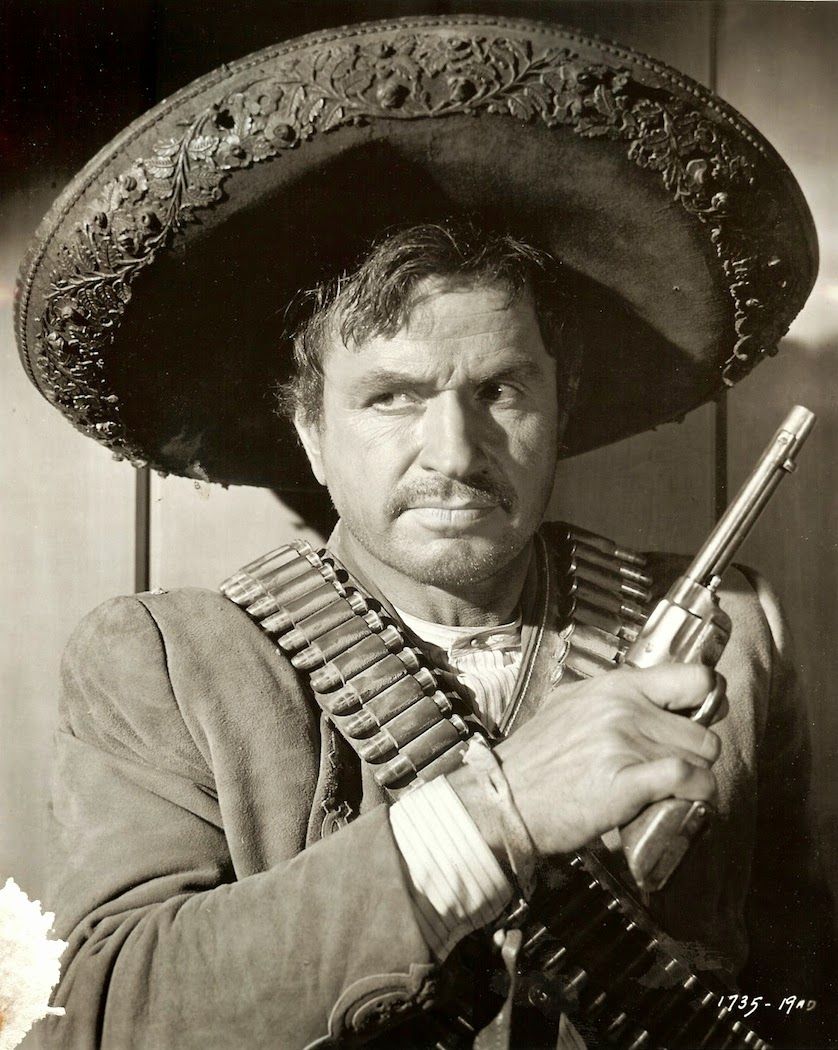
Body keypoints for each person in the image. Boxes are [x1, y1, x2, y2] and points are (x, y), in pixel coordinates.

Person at [15, 16, 830, 1050]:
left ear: (561, 408)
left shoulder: (737, 636)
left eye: (500, 390)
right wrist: (500, 812)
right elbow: (89, 1017)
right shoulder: (170, 665)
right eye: (393, 397)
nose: (455, 451)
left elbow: (799, 998)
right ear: (312, 432)